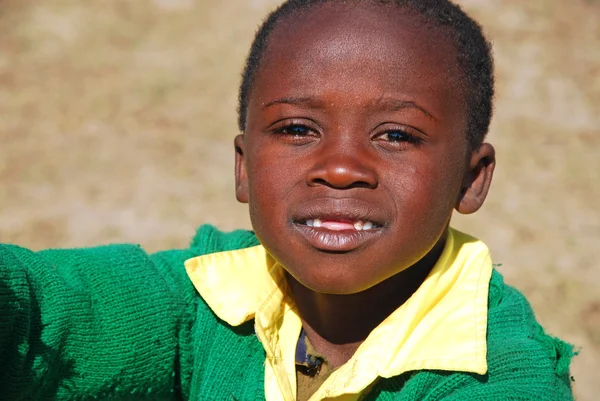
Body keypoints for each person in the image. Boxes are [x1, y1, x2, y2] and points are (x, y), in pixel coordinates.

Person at [0, 0, 575, 400]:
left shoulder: (496, 375)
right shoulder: (212, 302)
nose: (341, 168)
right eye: (298, 129)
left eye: (396, 135)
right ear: (245, 167)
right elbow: (49, 311)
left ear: (471, 180)